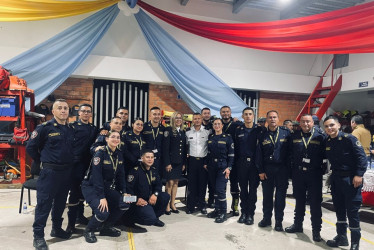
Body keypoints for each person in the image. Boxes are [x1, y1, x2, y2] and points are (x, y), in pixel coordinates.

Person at [26, 99, 75, 250]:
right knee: (44, 204)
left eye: (65, 108)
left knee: (60, 203)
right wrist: (43, 161)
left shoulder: (70, 129)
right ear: (53, 111)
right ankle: (38, 236)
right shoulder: (44, 128)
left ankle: (56, 229)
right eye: (59, 108)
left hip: (66, 172)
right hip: (50, 172)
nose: (63, 111)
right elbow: (31, 148)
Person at [324, 116, 367, 250]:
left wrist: (359, 174)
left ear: (338, 125)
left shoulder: (350, 139)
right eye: (326, 126)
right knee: (339, 209)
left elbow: (362, 157)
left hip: (350, 180)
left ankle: (355, 242)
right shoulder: (328, 141)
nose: (329, 128)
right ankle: (342, 237)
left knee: (352, 211)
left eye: (332, 125)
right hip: (336, 180)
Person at [81, 131, 130, 243]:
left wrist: (124, 192)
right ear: (107, 139)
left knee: (126, 202)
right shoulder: (100, 153)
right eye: (113, 137)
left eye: (118, 137)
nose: (116, 139)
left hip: (107, 186)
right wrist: (101, 197)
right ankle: (89, 230)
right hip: (91, 186)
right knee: (103, 213)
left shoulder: (119, 153)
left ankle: (107, 227)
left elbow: (121, 175)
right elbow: (97, 177)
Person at [285, 114, 325, 242]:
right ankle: (298, 225)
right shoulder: (294, 136)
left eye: (308, 122)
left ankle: (316, 231)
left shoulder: (320, 136)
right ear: (299, 123)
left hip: (314, 174)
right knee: (299, 201)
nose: (306, 124)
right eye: (303, 122)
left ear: (313, 123)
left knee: (315, 203)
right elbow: (289, 153)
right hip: (298, 174)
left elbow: (326, 155)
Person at [256, 110, 291, 231]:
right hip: (267, 169)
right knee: (267, 196)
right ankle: (266, 219)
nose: (272, 119)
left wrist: (289, 171)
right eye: (270, 117)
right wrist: (260, 171)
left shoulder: (286, 133)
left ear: (278, 118)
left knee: (280, 197)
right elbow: (258, 154)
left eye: (274, 117)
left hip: (282, 169)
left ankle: (279, 221)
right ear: (266, 119)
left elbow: (290, 154)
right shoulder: (262, 134)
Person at [66, 104, 98, 233]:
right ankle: (71, 225)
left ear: (91, 114)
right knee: (74, 194)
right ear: (79, 113)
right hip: (75, 165)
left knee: (82, 193)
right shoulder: (72, 127)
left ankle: (80, 216)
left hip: (88, 165)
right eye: (83, 111)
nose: (86, 113)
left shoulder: (94, 128)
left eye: (88, 112)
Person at [124, 150, 170, 227]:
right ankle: (130, 219)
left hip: (149, 199)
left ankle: (155, 218)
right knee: (150, 220)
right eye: (147, 157)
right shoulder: (135, 171)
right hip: (138, 202)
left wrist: (155, 194)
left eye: (152, 157)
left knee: (165, 196)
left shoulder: (154, 170)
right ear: (142, 158)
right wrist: (136, 200)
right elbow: (128, 189)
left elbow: (159, 185)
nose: (150, 159)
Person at [235, 107, 263, 225]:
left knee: (252, 191)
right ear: (242, 116)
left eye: (250, 114)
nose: (248, 116)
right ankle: (243, 213)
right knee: (243, 191)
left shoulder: (259, 130)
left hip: (254, 165)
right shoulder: (238, 130)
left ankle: (250, 214)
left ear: (253, 116)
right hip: (241, 164)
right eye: (245, 114)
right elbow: (236, 148)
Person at [206, 118, 234, 223]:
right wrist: (206, 164)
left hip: (223, 167)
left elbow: (231, 154)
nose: (217, 126)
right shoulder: (211, 137)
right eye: (215, 124)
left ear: (222, 125)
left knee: (220, 190)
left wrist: (229, 167)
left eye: (219, 124)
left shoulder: (227, 138)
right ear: (213, 126)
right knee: (214, 190)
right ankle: (217, 209)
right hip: (212, 166)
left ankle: (223, 212)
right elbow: (208, 152)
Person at [185, 113, 210, 214]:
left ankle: (202, 205)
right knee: (192, 185)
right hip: (192, 161)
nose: (197, 120)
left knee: (202, 184)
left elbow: (209, 148)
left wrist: (207, 162)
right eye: (195, 119)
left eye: (199, 118)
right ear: (192, 120)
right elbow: (186, 147)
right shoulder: (187, 132)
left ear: (201, 119)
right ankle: (190, 206)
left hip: (203, 161)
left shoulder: (207, 132)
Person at [163, 111, 187, 214]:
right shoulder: (168, 130)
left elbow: (184, 150)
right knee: (170, 183)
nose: (178, 120)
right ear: (173, 119)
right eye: (176, 118)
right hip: (171, 162)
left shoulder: (182, 132)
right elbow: (165, 148)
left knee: (176, 182)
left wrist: (183, 163)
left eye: (180, 118)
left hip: (179, 162)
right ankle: (167, 204)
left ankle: (173, 203)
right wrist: (167, 163)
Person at [220, 105, 241, 216]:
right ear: (220, 113)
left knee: (234, 184)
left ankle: (235, 206)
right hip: (222, 159)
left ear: (230, 112)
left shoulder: (237, 124)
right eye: (223, 112)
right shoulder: (217, 124)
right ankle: (221, 206)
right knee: (221, 185)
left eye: (227, 112)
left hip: (235, 159)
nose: (225, 114)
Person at [142, 107, 165, 177]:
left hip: (159, 160)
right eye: (154, 114)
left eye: (158, 114)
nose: (157, 116)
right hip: (146, 160)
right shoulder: (144, 127)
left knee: (158, 181)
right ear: (150, 115)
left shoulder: (163, 128)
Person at [201, 107, 214, 208]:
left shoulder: (213, 126)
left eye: (208, 113)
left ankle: (211, 201)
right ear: (202, 115)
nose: (206, 115)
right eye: (205, 113)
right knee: (201, 182)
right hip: (200, 156)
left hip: (211, 157)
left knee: (211, 181)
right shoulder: (197, 126)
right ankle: (199, 200)